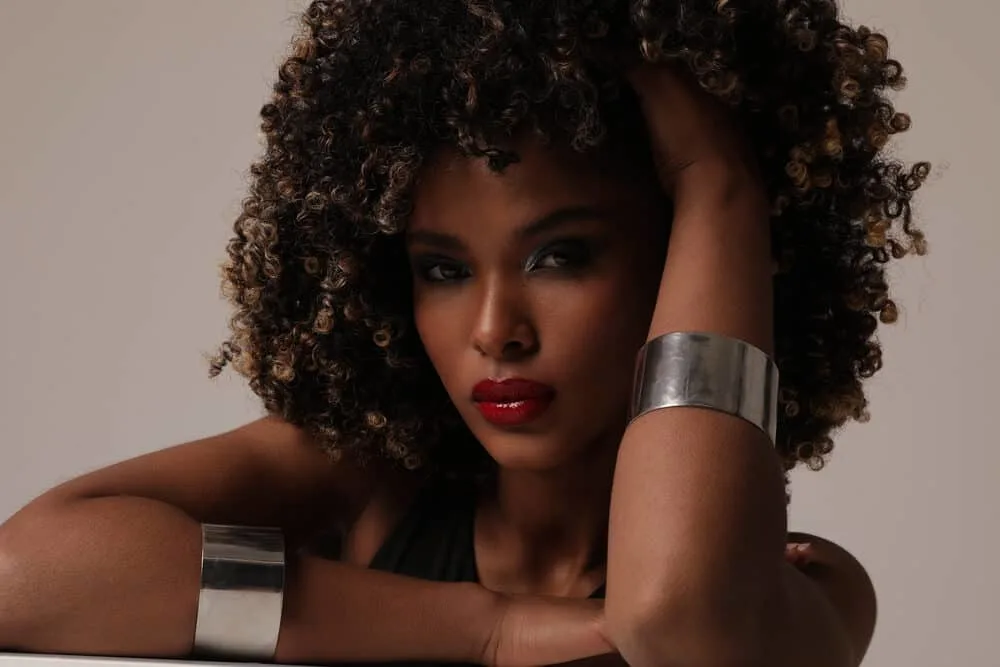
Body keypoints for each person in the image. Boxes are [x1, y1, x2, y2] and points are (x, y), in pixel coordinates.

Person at [0, 1, 929, 665]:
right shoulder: (369, 487)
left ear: (688, 269)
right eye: (442, 269)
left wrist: (720, 181)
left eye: (560, 256)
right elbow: (22, 573)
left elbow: (675, 617)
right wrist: (486, 627)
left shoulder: (810, 588)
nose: (494, 331)